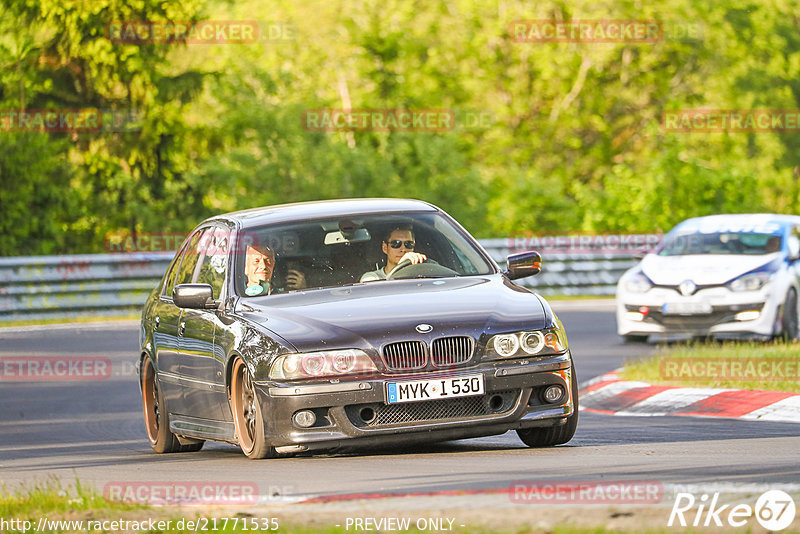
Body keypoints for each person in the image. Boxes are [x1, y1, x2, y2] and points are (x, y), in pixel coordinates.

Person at [360, 226, 426, 282]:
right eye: (396, 244)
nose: (403, 249)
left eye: (408, 244)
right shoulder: (372, 278)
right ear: (385, 248)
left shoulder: (420, 275)